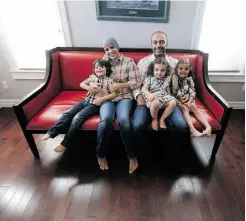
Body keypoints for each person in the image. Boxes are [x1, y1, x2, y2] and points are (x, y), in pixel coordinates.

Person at [132, 31, 188, 166]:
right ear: (151, 45)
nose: (158, 45)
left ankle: (170, 155)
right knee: (138, 125)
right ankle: (142, 155)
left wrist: (184, 93)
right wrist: (139, 95)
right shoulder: (143, 62)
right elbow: (136, 84)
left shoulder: (175, 63)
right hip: (148, 100)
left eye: (161, 42)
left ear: (166, 43)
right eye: (155, 42)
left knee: (181, 126)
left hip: (168, 100)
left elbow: (181, 82)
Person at [41, 59, 116, 152]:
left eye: (101, 67)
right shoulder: (92, 77)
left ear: (107, 69)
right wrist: (88, 87)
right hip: (85, 100)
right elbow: (82, 84)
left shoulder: (110, 81)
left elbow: (114, 94)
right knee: (67, 113)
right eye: (96, 67)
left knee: (77, 118)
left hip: (95, 105)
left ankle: (65, 143)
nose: (98, 69)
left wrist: (101, 99)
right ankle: (51, 132)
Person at [96, 37, 141, 174]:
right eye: (107, 49)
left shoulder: (129, 61)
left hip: (124, 96)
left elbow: (137, 81)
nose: (110, 51)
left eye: (112, 47)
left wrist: (120, 85)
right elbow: (95, 77)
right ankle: (101, 155)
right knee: (105, 121)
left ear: (118, 47)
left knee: (124, 121)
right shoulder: (103, 62)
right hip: (107, 97)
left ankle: (132, 156)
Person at [171, 58, 212, 137]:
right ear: (177, 69)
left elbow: (192, 90)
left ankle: (208, 126)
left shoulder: (189, 79)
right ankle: (192, 129)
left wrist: (189, 101)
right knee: (184, 108)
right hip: (177, 98)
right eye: (181, 68)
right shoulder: (174, 77)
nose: (183, 71)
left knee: (193, 106)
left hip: (187, 98)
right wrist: (182, 99)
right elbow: (175, 90)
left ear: (189, 69)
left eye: (186, 69)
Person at [142, 57, 176, 130]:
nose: (159, 72)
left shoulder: (168, 78)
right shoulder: (150, 78)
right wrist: (149, 94)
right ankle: (154, 118)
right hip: (154, 98)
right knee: (155, 103)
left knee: (173, 102)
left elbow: (175, 86)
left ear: (166, 71)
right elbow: (144, 88)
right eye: (156, 70)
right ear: (153, 69)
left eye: (162, 70)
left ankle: (162, 119)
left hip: (164, 98)